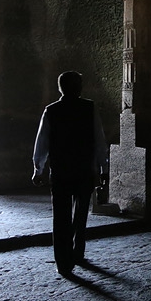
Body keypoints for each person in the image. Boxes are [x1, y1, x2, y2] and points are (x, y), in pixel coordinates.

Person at [32, 71, 108, 276]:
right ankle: (78, 251)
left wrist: (38, 169)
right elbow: (99, 141)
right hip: (84, 170)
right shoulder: (89, 108)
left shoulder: (51, 111)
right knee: (81, 214)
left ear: (60, 88)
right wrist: (103, 169)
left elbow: (43, 143)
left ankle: (63, 262)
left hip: (61, 171)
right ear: (80, 87)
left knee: (61, 217)